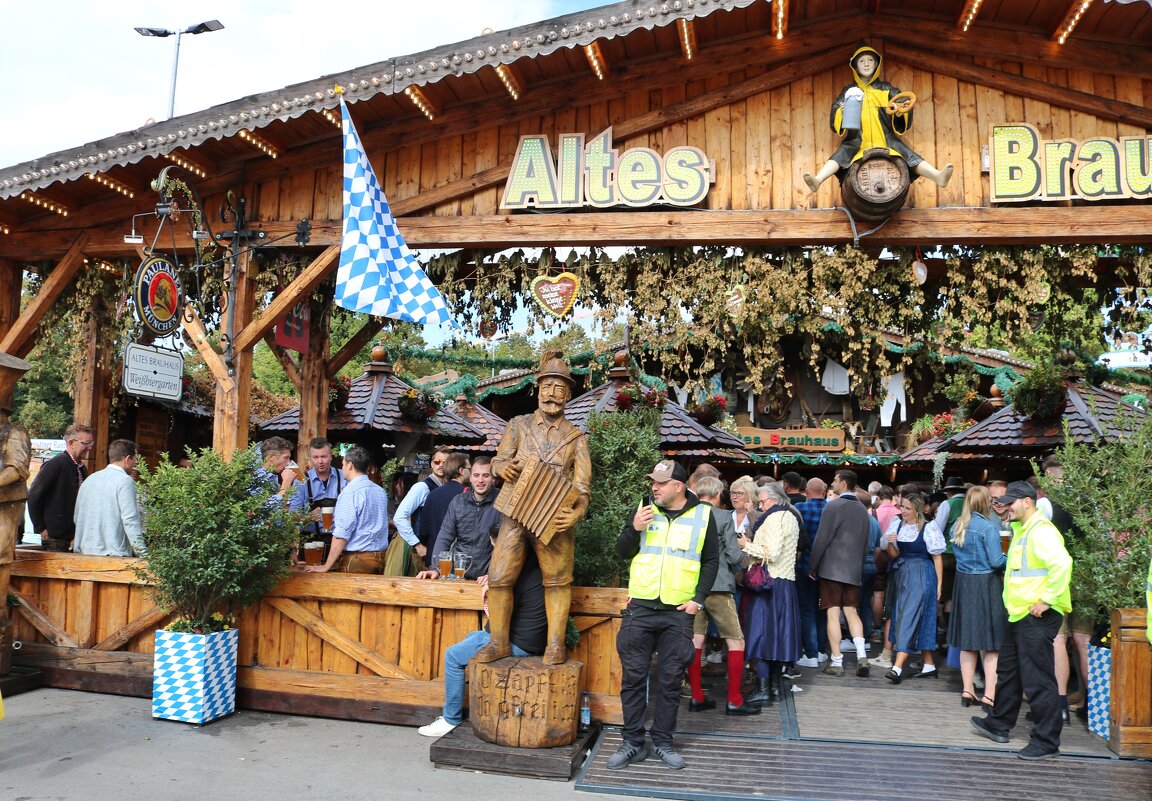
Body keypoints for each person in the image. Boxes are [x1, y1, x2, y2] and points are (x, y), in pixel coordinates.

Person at [475, 352, 591, 667]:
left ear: (568, 394)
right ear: (538, 390)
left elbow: (582, 488)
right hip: (514, 515)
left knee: (557, 580)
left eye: (559, 388)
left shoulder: (576, 438)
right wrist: (502, 468)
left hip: (553, 519)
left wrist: (576, 513)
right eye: (547, 387)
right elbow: (498, 460)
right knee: (499, 577)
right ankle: (498, 642)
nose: (552, 394)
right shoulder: (518, 425)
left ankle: (555, 646)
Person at [607, 459, 719, 771]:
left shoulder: (703, 515)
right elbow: (623, 551)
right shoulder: (643, 508)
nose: (654, 487)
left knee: (670, 681)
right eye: (653, 482)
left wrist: (698, 600)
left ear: (679, 486)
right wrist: (634, 528)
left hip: (678, 612)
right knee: (632, 678)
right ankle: (631, 742)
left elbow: (711, 560)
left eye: (660, 483)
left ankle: (663, 742)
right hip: (640, 608)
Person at [971, 480, 1072, 760]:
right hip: (1021, 614)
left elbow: (1063, 564)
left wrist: (1048, 600)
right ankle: (999, 724)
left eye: (1011, 503)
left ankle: (1046, 741)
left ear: (1027, 502)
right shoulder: (1023, 530)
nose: (1006, 508)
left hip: (1036, 615)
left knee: (1038, 679)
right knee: (1010, 672)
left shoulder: (1040, 531)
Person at [418, 549, 547, 737]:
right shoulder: (535, 569)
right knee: (472, 636)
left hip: (519, 643)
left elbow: (497, 618)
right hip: (532, 640)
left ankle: (450, 719)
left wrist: (494, 585)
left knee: (452, 655)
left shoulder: (513, 574)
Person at [803, 44, 953, 193]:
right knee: (841, 154)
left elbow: (901, 103)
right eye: (862, 61)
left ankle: (937, 176)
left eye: (870, 60)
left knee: (908, 154)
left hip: (885, 139)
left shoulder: (886, 89)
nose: (866, 64)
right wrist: (842, 112)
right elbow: (835, 111)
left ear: (876, 64)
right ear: (855, 66)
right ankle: (818, 180)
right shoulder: (849, 91)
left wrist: (900, 113)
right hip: (857, 139)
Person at [685, 476, 760, 716]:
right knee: (736, 640)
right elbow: (732, 554)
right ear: (718, 496)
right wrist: (748, 556)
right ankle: (735, 700)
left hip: (691, 587)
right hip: (718, 585)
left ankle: (697, 696)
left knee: (696, 641)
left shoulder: (687, 515)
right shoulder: (723, 517)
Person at [740, 482, 801, 705]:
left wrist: (745, 544)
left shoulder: (776, 518)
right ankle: (774, 687)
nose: (760, 506)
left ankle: (764, 689)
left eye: (762, 502)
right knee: (778, 639)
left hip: (769, 583)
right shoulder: (791, 517)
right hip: (785, 584)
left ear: (775, 499)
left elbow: (771, 553)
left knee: (761, 637)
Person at [947, 485, 1006, 709]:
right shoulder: (988, 527)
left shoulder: (957, 526)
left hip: (963, 584)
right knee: (991, 644)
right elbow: (996, 562)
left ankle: (967, 690)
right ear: (985, 503)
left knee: (967, 642)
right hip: (985, 585)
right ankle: (989, 695)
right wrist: (1012, 557)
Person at [809, 470, 871, 676]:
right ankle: (862, 655)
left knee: (833, 613)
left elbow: (821, 540)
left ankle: (837, 661)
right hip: (853, 569)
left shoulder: (832, 507)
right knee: (852, 612)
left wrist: (813, 565)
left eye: (834, 480)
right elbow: (865, 544)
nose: (832, 482)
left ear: (843, 483)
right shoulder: (863, 510)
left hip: (832, 569)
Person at [883, 493, 945, 683]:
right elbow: (894, 555)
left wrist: (939, 584)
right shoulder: (898, 525)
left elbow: (936, 557)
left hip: (921, 574)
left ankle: (897, 667)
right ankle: (929, 665)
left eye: (907, 508)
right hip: (902, 575)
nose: (903, 511)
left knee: (909, 616)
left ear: (917, 509)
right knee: (908, 616)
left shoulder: (929, 526)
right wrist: (891, 543)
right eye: (902, 507)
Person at [304, 445, 389, 574]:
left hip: (357, 560)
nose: (342, 468)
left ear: (350, 465)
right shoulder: (380, 491)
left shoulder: (350, 492)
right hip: (381, 558)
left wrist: (326, 566)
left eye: (343, 464)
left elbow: (342, 534)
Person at [419, 457, 500, 581]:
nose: (480, 480)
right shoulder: (458, 501)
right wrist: (435, 568)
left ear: (493, 478)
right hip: (458, 576)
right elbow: (444, 538)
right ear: (470, 477)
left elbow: (507, 546)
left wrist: (494, 575)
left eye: (486, 475)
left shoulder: (502, 503)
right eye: (476, 475)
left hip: (487, 578)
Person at [28, 423, 94, 551]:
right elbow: (33, 496)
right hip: (55, 538)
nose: (89, 448)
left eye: (91, 443)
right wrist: (41, 528)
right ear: (71, 443)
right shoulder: (55, 465)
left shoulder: (81, 468)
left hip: (75, 537)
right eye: (86, 443)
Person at [72, 439, 145, 557]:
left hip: (84, 553)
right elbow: (130, 520)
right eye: (134, 460)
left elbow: (77, 517)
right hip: (113, 555)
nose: (135, 465)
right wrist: (143, 554)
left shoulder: (90, 479)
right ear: (127, 459)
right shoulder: (125, 481)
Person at [394, 446, 452, 570]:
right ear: (432, 463)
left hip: (439, 551)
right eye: (437, 462)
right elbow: (399, 517)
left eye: (445, 462)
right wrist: (417, 545)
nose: (441, 465)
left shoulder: (445, 487)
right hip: (424, 552)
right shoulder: (422, 487)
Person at [794, 477, 829, 668]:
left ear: (807, 492)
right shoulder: (831, 508)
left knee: (806, 609)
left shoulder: (800, 508)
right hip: (826, 567)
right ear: (824, 491)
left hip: (804, 565)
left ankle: (811, 652)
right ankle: (822, 650)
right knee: (822, 609)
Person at [418, 452, 470, 560]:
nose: (471, 472)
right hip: (459, 559)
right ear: (461, 471)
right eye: (469, 469)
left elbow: (423, 531)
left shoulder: (432, 494)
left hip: (434, 557)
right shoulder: (467, 495)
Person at [299, 438, 345, 541]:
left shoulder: (344, 477)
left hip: (337, 540)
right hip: (310, 540)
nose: (320, 461)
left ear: (331, 456)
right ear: (310, 458)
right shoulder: (301, 481)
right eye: (315, 457)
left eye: (324, 456)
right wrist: (308, 517)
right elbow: (292, 517)